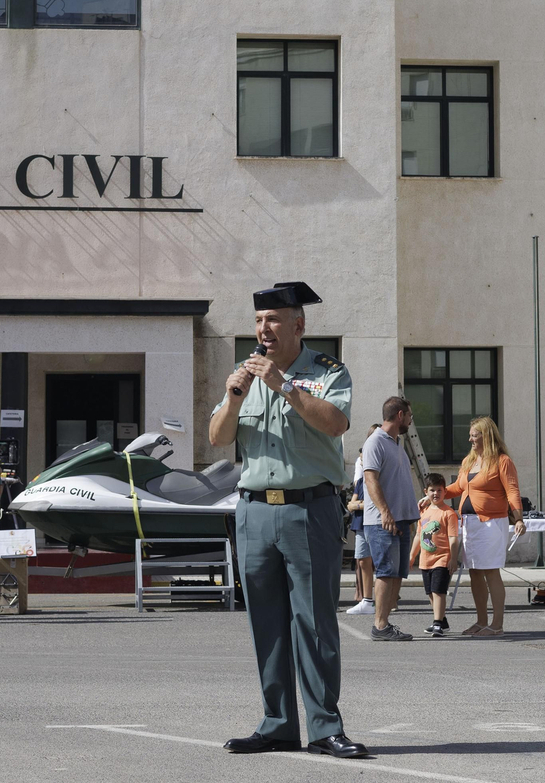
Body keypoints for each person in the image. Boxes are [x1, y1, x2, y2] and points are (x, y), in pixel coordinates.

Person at [208, 282, 366, 760]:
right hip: (254, 509)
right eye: (259, 322)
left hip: (307, 508)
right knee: (267, 623)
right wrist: (236, 396)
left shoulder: (326, 372)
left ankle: (324, 727)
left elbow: (336, 424)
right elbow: (218, 438)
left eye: (273, 320)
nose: (264, 329)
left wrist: (285, 386)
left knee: (314, 622)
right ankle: (277, 724)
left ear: (299, 325)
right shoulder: (245, 373)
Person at [442, 416, 526, 635]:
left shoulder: (502, 460)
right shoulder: (469, 461)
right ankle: (481, 621)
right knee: (475, 573)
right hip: (469, 524)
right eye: (470, 435)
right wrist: (434, 495)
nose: (470, 439)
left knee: (490, 571)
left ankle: (497, 625)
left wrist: (518, 518)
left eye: (474, 435)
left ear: (486, 436)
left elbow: (512, 491)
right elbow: (457, 487)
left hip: (491, 524)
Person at [361, 397, 418, 642]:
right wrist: (385, 511)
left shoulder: (396, 443)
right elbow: (370, 479)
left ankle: (386, 621)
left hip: (402, 520)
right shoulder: (375, 442)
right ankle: (380, 626)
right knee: (385, 571)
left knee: (396, 573)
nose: (410, 420)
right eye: (409, 416)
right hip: (382, 521)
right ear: (399, 415)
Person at [410, 472, 459, 636]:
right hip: (425, 560)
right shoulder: (423, 512)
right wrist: (411, 556)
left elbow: (453, 539)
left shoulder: (448, 513)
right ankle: (442, 621)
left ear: (445, 491)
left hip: (442, 558)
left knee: (439, 591)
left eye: (439, 490)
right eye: (432, 490)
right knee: (431, 592)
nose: (435, 494)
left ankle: (437, 623)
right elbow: (418, 535)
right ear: (426, 492)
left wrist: (453, 558)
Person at [345, 424, 379, 616]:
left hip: (377, 523)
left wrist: (361, 504)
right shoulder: (360, 481)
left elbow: (378, 502)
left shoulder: (382, 476)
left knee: (380, 561)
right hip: (360, 524)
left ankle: (384, 600)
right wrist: (361, 504)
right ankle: (366, 599)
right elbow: (351, 504)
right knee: (362, 561)